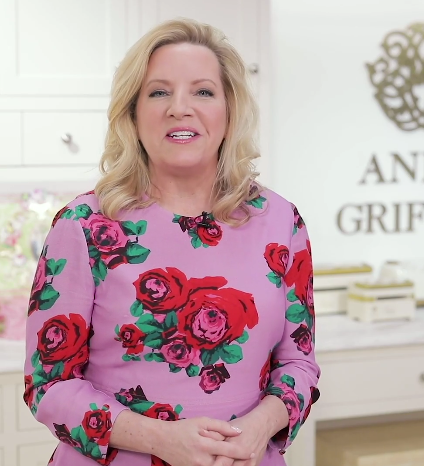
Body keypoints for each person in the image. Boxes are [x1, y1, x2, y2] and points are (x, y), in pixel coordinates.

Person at [23, 17, 320, 466]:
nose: (180, 107)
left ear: (229, 111)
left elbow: (299, 364)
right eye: (158, 92)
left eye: (203, 91)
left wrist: (258, 428)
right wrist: (160, 438)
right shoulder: (84, 226)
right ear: (133, 112)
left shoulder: (281, 221)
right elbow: (48, 386)